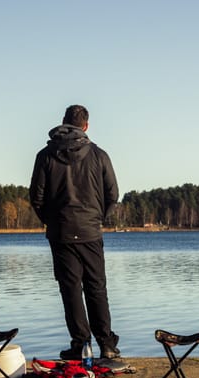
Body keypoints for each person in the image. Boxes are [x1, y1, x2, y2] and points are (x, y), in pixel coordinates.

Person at [29, 104, 121, 361]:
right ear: (86, 126)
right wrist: (98, 217)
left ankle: (81, 345)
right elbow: (113, 193)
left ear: (64, 122)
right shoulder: (99, 154)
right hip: (90, 230)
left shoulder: (45, 155)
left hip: (61, 232)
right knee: (96, 287)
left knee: (70, 289)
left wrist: (52, 220)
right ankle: (107, 345)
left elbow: (36, 197)